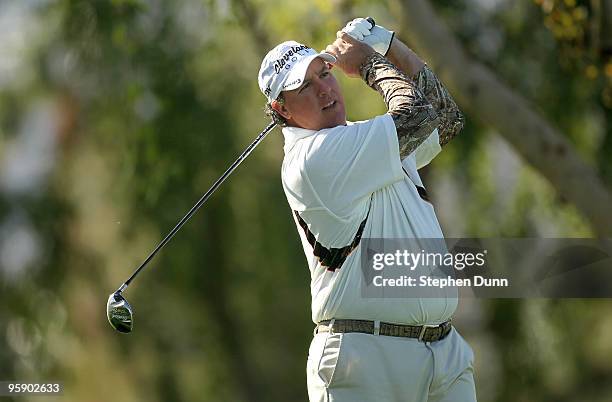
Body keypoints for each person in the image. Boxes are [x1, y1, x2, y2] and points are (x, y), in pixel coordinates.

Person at [257, 18, 476, 402]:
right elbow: (415, 117)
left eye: (325, 73)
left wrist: (388, 43)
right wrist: (368, 63)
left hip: (445, 354)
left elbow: (445, 117)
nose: (325, 89)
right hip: (364, 363)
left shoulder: (364, 139)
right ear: (282, 108)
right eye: (305, 86)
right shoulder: (312, 160)